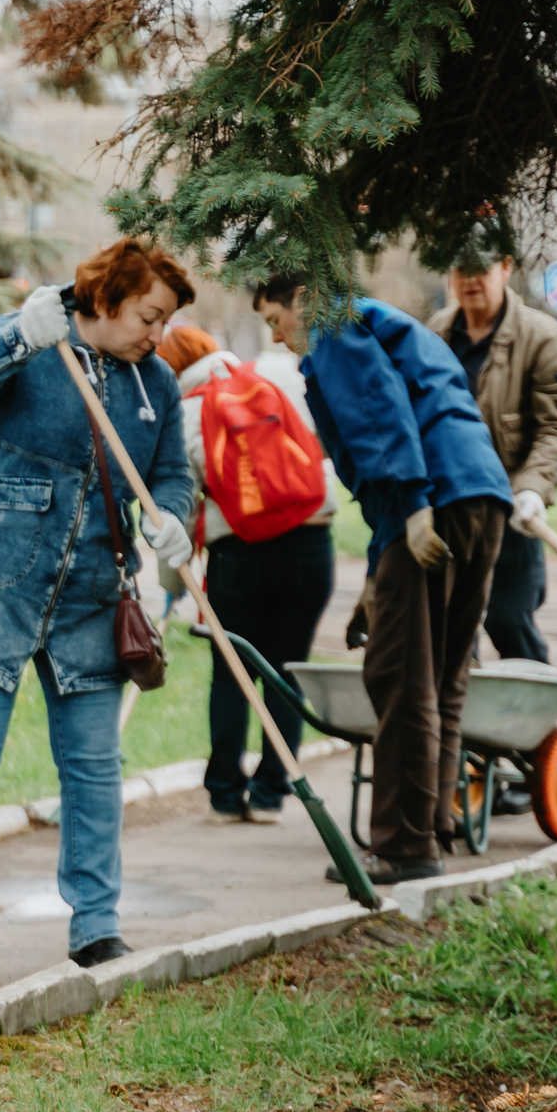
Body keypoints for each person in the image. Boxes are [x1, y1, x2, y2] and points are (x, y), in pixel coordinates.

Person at [0, 243, 199, 975]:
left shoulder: (154, 383)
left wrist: (169, 517)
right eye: (147, 315)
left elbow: (171, 474)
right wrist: (15, 337)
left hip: (92, 597)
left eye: (163, 321)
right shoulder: (31, 336)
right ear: (105, 300)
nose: (155, 333)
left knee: (95, 764)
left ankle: (97, 923)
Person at [253, 277, 512, 883]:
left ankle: (402, 846)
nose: (276, 335)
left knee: (400, 675)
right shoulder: (381, 319)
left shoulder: (333, 324)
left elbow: (377, 410)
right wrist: (378, 574)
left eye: (274, 318)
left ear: (302, 300)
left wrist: (415, 504)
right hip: (479, 495)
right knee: (446, 674)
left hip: (432, 497)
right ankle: (431, 829)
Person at [156, 326, 337, 825]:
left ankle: (225, 793)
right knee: (286, 671)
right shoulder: (274, 381)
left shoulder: (184, 412)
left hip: (239, 552)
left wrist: (171, 590)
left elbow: (173, 509)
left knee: (232, 674)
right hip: (311, 541)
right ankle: (272, 793)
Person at [428, 249, 557, 672]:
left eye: (482, 269)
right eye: (461, 268)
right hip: (449, 507)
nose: (470, 279)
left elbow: (555, 428)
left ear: (506, 268)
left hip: (511, 508)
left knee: (509, 619)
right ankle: (463, 732)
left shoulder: (542, 337)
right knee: (450, 630)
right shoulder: (436, 334)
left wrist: (533, 487)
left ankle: (532, 728)